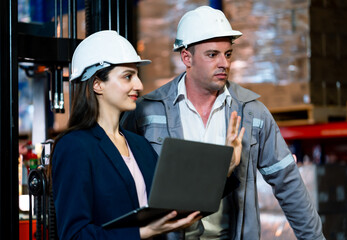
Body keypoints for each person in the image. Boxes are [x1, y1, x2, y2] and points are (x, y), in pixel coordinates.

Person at [121, 6, 325, 240]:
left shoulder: (252, 114)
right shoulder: (147, 111)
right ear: (186, 57)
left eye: (227, 54)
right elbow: (125, 187)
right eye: (212, 55)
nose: (224, 63)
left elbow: (289, 184)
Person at [50, 30, 204, 240]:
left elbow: (171, 199)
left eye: (137, 76)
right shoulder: (75, 147)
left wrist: (228, 166)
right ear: (97, 84)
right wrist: (143, 233)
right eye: (127, 76)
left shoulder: (139, 145)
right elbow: (75, 235)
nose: (139, 86)